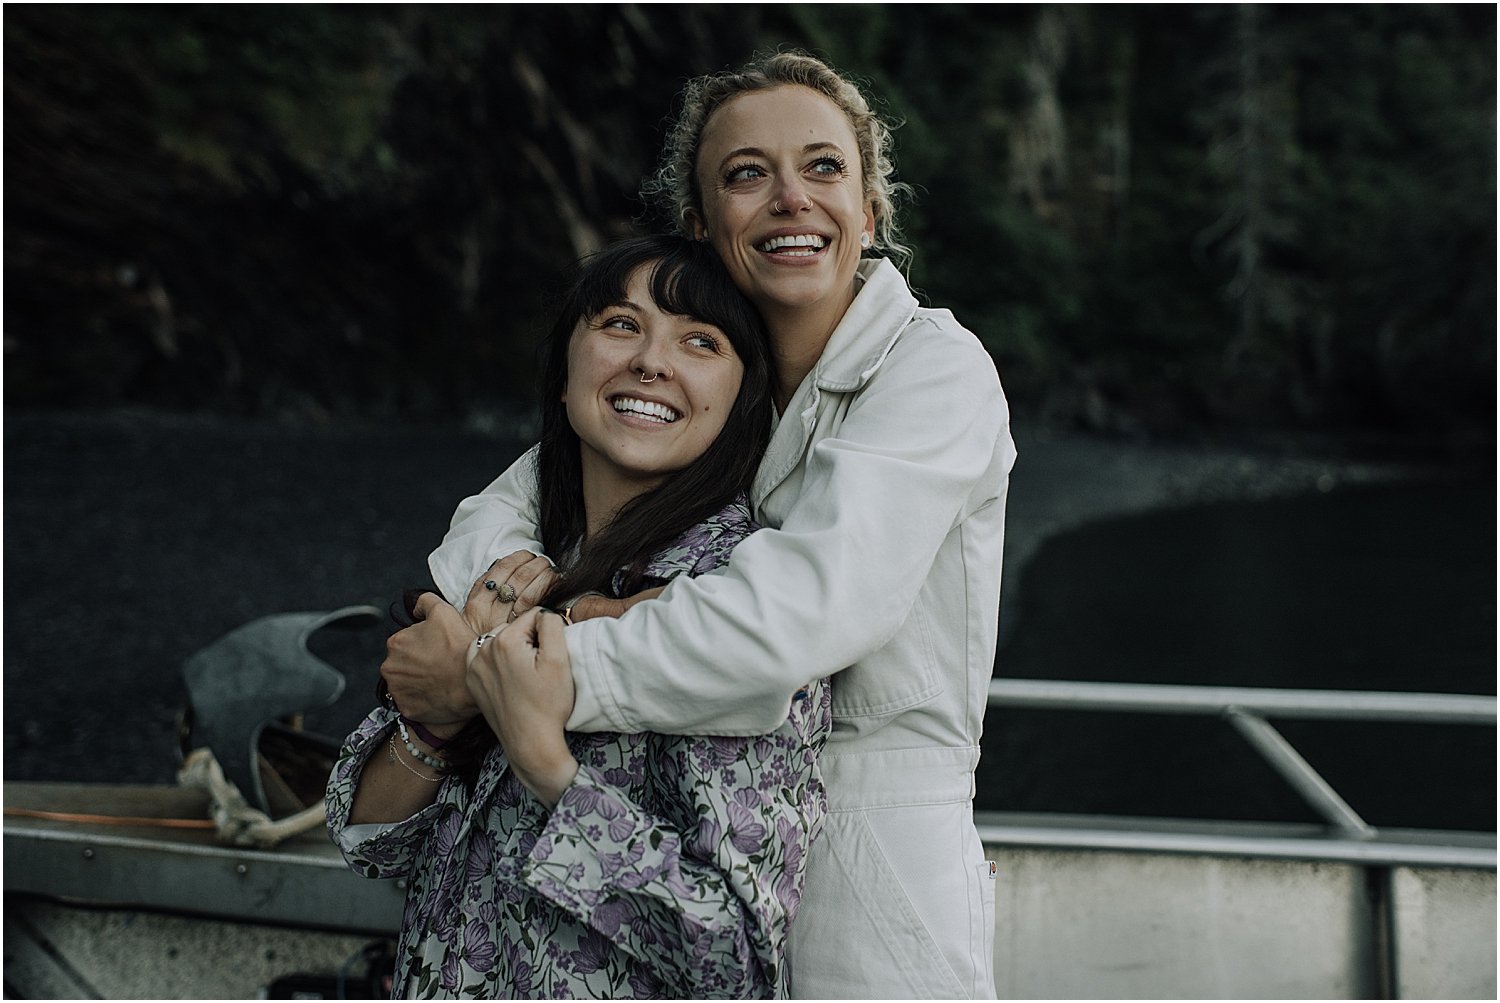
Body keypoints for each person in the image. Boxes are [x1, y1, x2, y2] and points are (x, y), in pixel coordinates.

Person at [392, 51, 1016, 998]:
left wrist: (522, 675)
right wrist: (508, 605)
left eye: (823, 168)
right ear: (700, 223)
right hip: (715, 815)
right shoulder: (719, 379)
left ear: (872, 209)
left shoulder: (934, 369)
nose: (790, 199)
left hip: (870, 839)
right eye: (746, 174)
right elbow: (512, 500)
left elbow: (804, 613)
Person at [327, 235, 831, 999]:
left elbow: (733, 955)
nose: (651, 361)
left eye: (701, 340)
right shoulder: (519, 563)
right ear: (565, 375)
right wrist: (434, 722)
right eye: (621, 325)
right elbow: (366, 840)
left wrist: (547, 769)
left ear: (741, 402)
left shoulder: (733, 601)